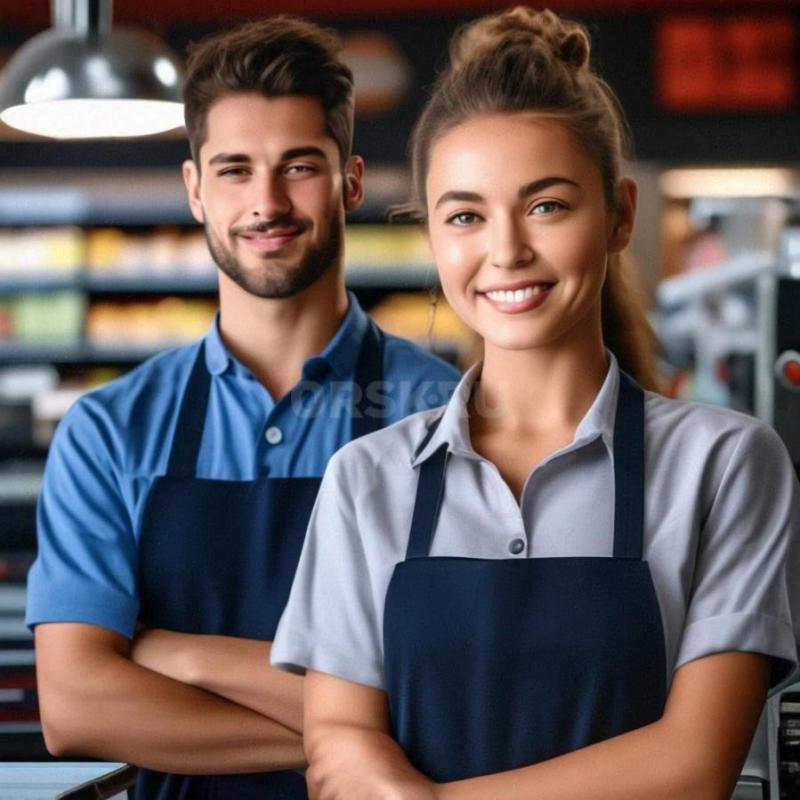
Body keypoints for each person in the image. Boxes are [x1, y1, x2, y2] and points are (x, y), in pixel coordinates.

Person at [271, 7, 800, 799]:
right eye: (465, 216)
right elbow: (339, 745)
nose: (506, 249)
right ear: (435, 238)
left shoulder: (724, 466)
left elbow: (693, 765)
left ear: (619, 214)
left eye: (547, 205)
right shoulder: (366, 481)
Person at [25, 16, 459, 800]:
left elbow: (451, 701)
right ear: (195, 190)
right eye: (233, 170)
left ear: (350, 181)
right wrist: (350, 742)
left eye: (299, 166)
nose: (266, 202)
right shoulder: (109, 431)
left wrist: (177, 656)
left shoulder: (446, 413)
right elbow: (76, 707)